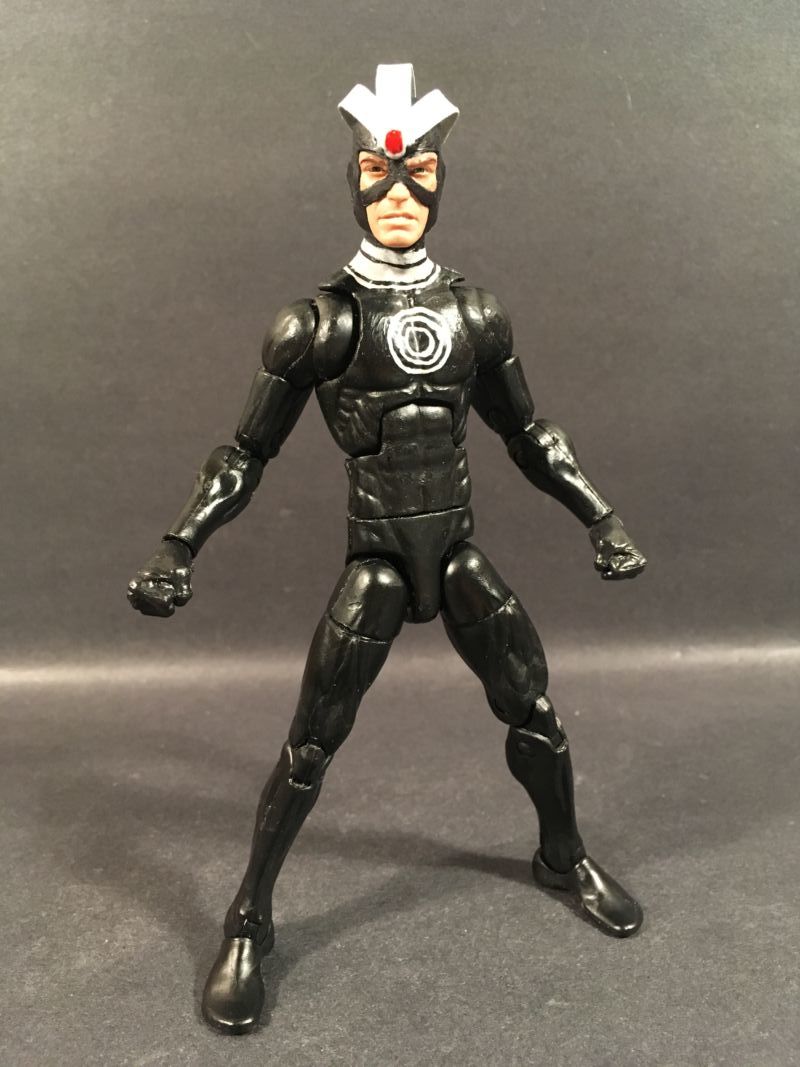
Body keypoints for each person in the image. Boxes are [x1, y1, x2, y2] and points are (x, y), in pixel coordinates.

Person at [128, 63, 647, 1035]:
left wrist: (599, 516)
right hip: (375, 562)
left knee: (533, 710)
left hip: (454, 554)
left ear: (440, 186)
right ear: (356, 183)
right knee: (310, 744)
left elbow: (528, 434)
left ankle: (561, 853)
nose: (399, 196)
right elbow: (244, 452)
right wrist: (178, 544)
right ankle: (248, 919)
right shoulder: (319, 324)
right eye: (378, 175)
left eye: (418, 178)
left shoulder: (472, 313)